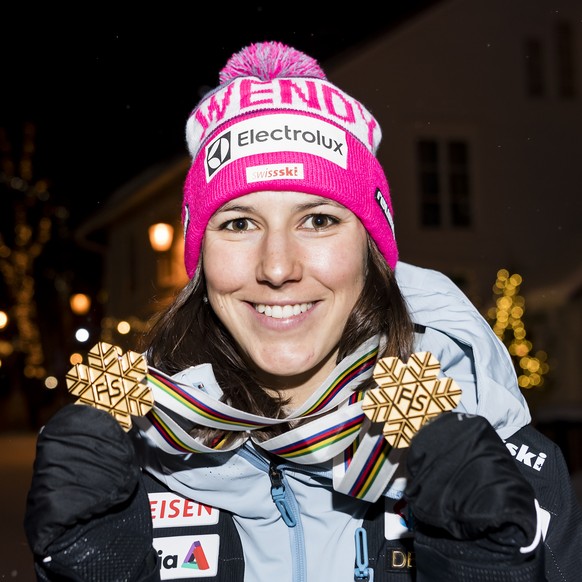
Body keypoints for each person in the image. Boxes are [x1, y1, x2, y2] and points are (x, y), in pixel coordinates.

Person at [24, 41, 582, 582]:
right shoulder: (139, 457)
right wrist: (96, 565)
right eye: (239, 223)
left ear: (370, 251)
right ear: (202, 261)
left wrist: (487, 570)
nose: (276, 266)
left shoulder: (497, 460)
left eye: (318, 220)